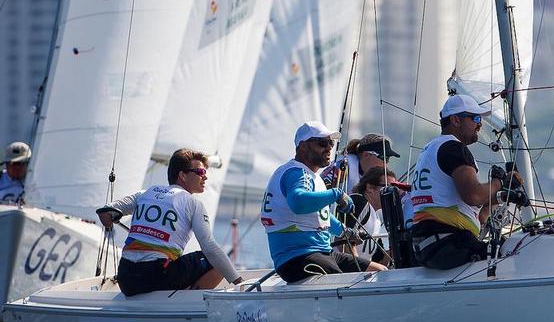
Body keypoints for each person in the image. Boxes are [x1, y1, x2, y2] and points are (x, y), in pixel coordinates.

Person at [96, 148, 243, 296]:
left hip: (126, 279)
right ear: (182, 175)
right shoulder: (192, 203)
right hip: (157, 276)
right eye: (200, 172)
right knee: (214, 261)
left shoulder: (145, 193)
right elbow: (210, 248)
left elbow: (105, 212)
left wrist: (110, 221)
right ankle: (187, 304)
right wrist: (240, 283)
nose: (205, 177)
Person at [262, 121, 387, 282]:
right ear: (303, 147)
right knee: (350, 283)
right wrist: (335, 194)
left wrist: (345, 232)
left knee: (379, 271)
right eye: (322, 143)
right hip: (297, 258)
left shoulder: (313, 177)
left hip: (322, 252)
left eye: (331, 143)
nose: (329, 148)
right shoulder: (296, 173)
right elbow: (298, 203)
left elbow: (322, 216)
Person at [408, 94, 509, 270]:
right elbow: (474, 195)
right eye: (475, 118)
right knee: (512, 252)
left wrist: (500, 195)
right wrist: (499, 182)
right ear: (456, 120)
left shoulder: (431, 148)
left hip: (431, 246)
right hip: (449, 245)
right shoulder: (453, 148)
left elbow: (477, 213)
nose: (480, 124)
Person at [339, 165, 396, 264]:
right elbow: (344, 241)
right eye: (388, 187)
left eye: (395, 189)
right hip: (344, 272)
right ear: (370, 188)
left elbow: (379, 259)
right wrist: (359, 271)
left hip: (358, 275)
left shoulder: (377, 218)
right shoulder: (358, 201)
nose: (392, 193)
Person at [327, 133, 401, 193]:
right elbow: (322, 186)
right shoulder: (343, 165)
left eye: (387, 159)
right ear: (366, 155)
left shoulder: (378, 177)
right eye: (382, 157)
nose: (385, 163)